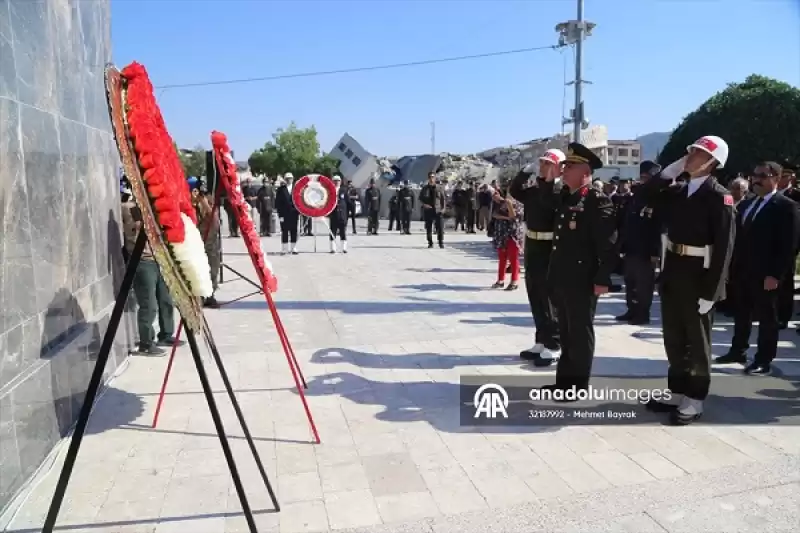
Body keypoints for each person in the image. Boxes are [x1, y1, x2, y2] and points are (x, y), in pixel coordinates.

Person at [642, 135, 735, 425]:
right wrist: (667, 173)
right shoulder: (678, 190)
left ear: (712, 162)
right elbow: (645, 196)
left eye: (697, 154)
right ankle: (677, 390)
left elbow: (724, 249)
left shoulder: (721, 197)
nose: (690, 157)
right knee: (674, 338)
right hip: (674, 273)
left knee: (697, 342)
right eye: (691, 152)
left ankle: (695, 398)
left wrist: (712, 292)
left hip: (699, 277)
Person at [535, 143, 617, 395]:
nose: (563, 170)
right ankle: (564, 383)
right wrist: (546, 179)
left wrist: (603, 277)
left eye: (569, 166)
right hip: (561, 276)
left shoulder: (595, 198)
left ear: (585, 171)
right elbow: (544, 204)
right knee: (567, 332)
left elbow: (608, 243)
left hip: (582, 278)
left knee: (580, 333)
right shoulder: (567, 196)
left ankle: (577, 386)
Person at [716, 161, 798, 375]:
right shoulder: (746, 205)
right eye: (755, 175)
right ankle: (737, 350)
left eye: (763, 175)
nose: (756, 179)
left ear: (776, 179)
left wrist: (775, 275)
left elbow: (788, 246)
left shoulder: (786, 206)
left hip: (766, 274)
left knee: (767, 319)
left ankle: (763, 359)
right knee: (741, 314)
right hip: (742, 271)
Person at [509, 148, 565, 365]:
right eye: (541, 164)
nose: (543, 168)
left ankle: (555, 344)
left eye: (547, 164)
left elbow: (551, 203)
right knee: (535, 294)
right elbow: (515, 191)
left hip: (550, 247)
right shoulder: (536, 189)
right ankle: (542, 340)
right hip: (533, 245)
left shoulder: (560, 190)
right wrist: (526, 171)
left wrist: (550, 181)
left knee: (549, 298)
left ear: (558, 168)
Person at [121, 196, 180, 355]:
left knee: (166, 299)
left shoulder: (156, 207)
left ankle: (166, 334)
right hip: (143, 260)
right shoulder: (130, 207)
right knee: (149, 305)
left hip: (159, 259)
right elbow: (139, 227)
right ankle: (146, 343)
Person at [615, 161, 662, 325]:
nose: (643, 180)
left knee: (644, 284)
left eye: (646, 177)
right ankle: (632, 310)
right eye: (642, 176)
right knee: (630, 281)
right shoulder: (637, 195)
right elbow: (628, 222)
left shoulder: (658, 197)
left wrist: (656, 252)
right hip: (631, 246)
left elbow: (658, 227)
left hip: (646, 249)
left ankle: (642, 314)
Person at [193, 183, 222, 308]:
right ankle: (200, 296)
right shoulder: (193, 205)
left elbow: (214, 218)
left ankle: (210, 295)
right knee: (200, 271)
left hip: (211, 243)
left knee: (213, 269)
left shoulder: (209, 203)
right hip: (199, 242)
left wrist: (203, 200)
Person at [490, 185, 523, 290]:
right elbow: (494, 214)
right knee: (502, 258)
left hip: (513, 235)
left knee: (513, 259)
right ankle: (500, 280)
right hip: (501, 234)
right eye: (509, 192)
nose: (510, 195)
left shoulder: (518, 204)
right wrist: (505, 216)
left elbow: (514, 218)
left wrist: (509, 205)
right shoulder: (500, 203)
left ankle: (514, 281)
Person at [419, 172, 446, 248]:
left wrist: (443, 209)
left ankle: (441, 242)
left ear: (435, 178)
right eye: (430, 177)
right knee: (428, 228)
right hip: (428, 210)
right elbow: (420, 199)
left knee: (440, 227)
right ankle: (430, 242)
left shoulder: (439, 188)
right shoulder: (425, 188)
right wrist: (424, 205)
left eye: (433, 177)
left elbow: (443, 199)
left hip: (438, 210)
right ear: (428, 178)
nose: (431, 178)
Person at [275, 174, 299, 255]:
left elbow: (299, 201)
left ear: (293, 179)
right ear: (285, 179)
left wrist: (299, 212)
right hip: (284, 214)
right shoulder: (281, 189)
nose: (289, 180)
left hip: (294, 213)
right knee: (284, 231)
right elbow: (278, 203)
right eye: (287, 178)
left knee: (294, 231)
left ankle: (293, 248)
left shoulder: (296, 189)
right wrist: (280, 215)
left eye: (290, 178)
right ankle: (284, 249)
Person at [329, 175, 353, 253]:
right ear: (332, 181)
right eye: (335, 181)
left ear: (340, 182)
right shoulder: (330, 190)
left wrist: (350, 212)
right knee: (333, 231)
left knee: (343, 231)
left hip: (342, 214)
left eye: (338, 181)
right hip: (333, 214)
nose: (336, 182)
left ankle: (344, 248)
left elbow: (348, 202)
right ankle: (333, 248)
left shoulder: (344, 191)